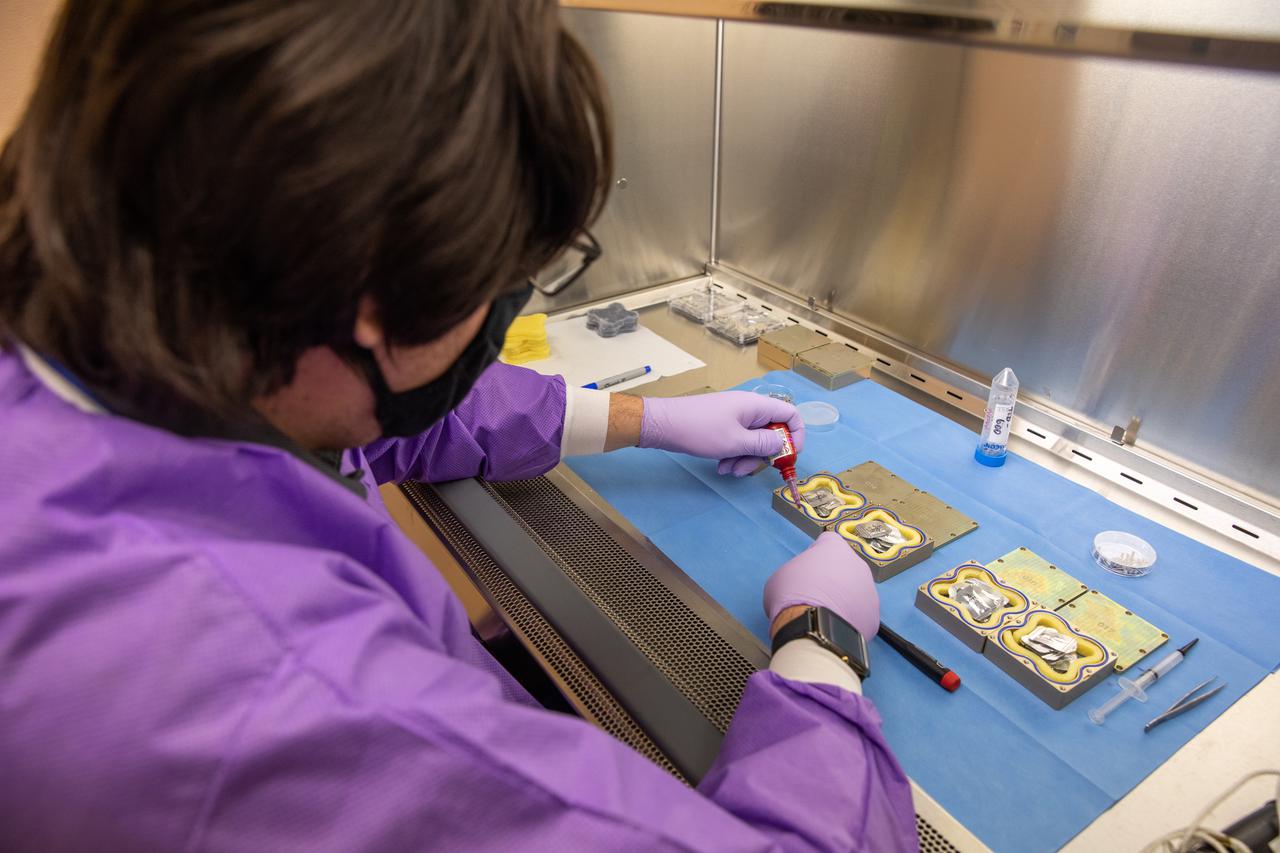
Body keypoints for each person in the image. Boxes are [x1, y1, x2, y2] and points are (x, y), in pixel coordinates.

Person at [0, 1, 916, 850]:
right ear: (369, 304)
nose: (492, 311)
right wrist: (822, 648)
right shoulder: (277, 693)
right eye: (493, 281)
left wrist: (651, 419)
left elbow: (365, 412)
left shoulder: (151, 329)